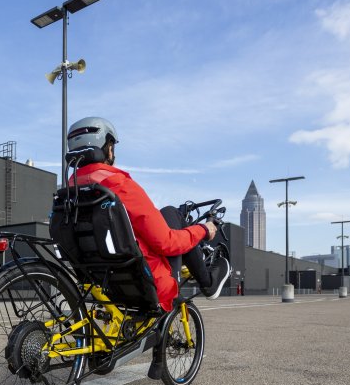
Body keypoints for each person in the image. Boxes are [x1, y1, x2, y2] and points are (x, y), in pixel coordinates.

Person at [65, 116, 229, 313]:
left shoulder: (69, 192)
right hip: (146, 284)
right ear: (108, 148)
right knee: (171, 215)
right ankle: (208, 282)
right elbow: (167, 242)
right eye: (112, 146)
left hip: (101, 283)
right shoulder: (120, 185)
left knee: (168, 215)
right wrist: (204, 229)